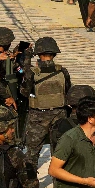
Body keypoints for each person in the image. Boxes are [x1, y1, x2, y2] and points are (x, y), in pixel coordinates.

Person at [21, 37, 73, 167]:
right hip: (59, 114)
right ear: (54, 54)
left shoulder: (32, 73)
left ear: (38, 54)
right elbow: (68, 91)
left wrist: (26, 57)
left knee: (32, 154)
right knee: (60, 153)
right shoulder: (62, 71)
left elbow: (25, 92)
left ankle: (30, 183)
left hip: (38, 115)